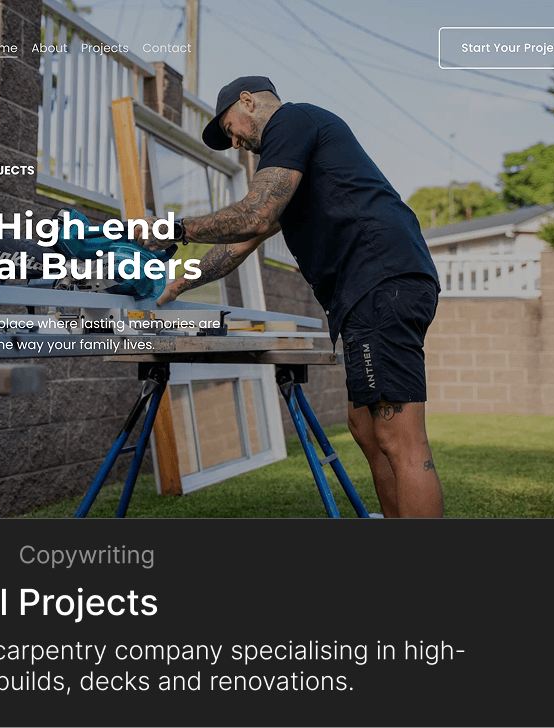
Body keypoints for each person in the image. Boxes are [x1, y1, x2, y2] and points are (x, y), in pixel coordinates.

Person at [134, 76, 444, 518]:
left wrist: (173, 228)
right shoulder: (295, 159)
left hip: (380, 279)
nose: (236, 141)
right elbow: (241, 242)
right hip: (366, 292)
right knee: (365, 429)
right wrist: (179, 284)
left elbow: (255, 215)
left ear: (248, 101)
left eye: (230, 128)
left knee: (400, 438)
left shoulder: (291, 120)